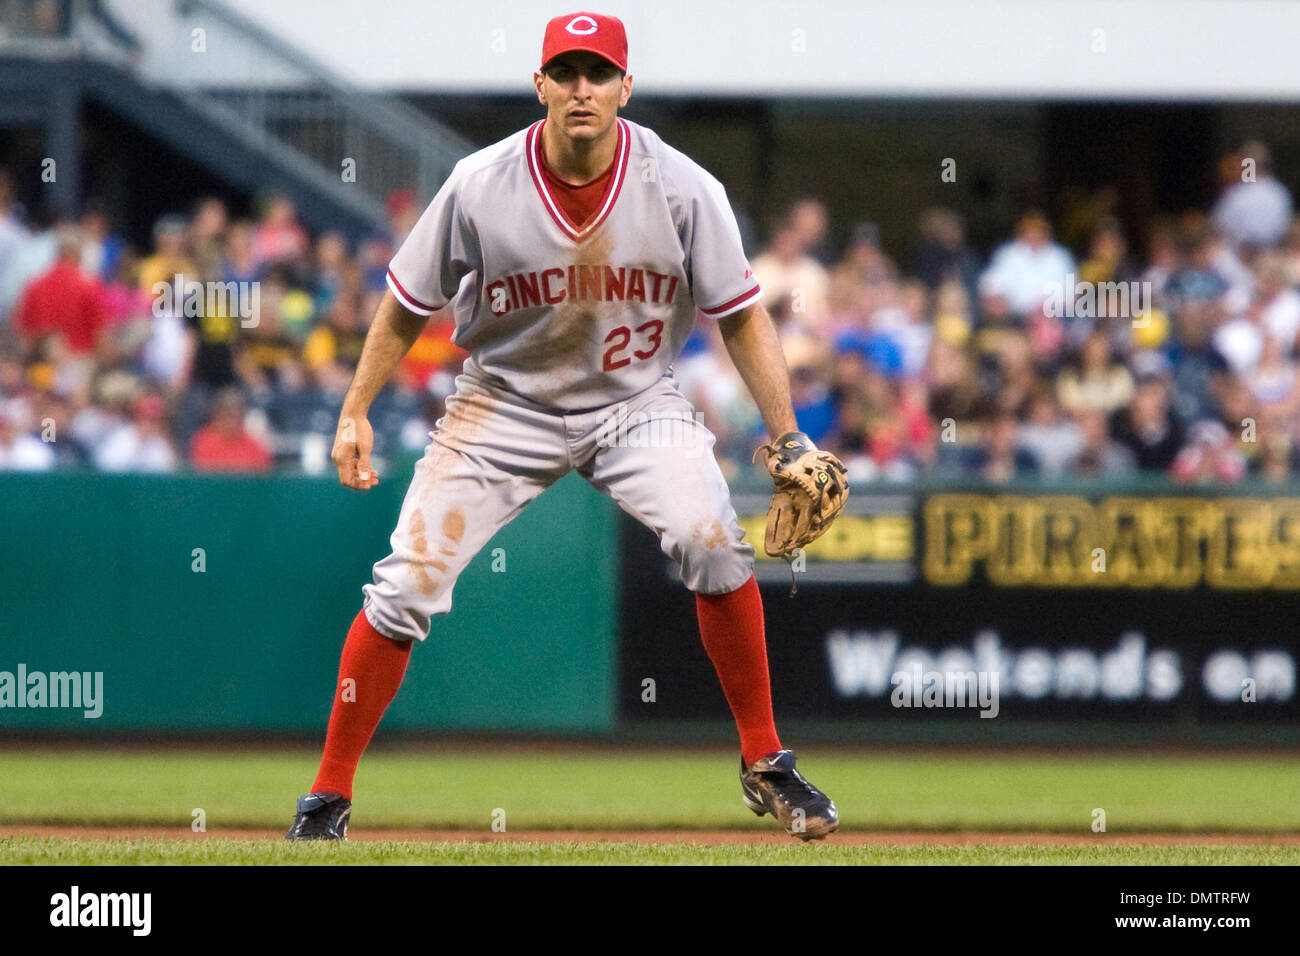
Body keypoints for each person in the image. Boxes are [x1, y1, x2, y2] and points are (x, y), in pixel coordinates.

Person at [285, 12, 843, 843]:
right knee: (404, 587)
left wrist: (787, 434)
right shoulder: (480, 182)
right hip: (503, 401)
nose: (583, 88)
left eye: (599, 72)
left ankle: (766, 759)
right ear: (539, 84)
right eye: (567, 72)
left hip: (636, 402)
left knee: (715, 542)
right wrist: (355, 408)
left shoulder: (684, 185)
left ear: (626, 85)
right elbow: (406, 304)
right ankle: (327, 795)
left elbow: (742, 316)